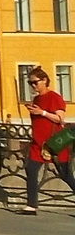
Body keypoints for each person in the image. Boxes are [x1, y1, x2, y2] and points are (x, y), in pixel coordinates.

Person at [22, 67, 73, 214]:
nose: (33, 86)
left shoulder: (54, 97)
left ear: (44, 80)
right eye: (30, 83)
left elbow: (60, 118)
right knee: (30, 170)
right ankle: (31, 205)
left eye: (35, 82)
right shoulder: (37, 98)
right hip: (38, 143)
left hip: (54, 144)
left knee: (65, 175)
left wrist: (42, 112)